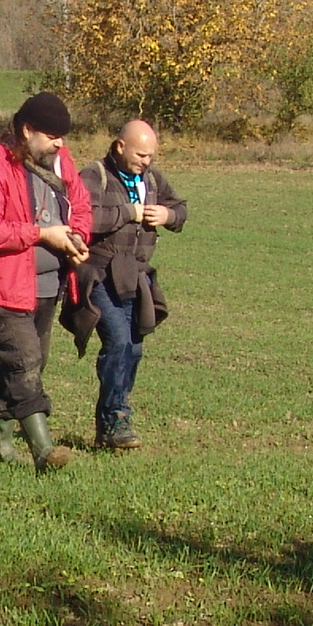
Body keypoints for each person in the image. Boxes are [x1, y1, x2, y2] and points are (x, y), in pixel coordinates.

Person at [0, 91, 90, 473]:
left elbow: (81, 205)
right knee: (24, 361)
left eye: (63, 137)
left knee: (27, 363)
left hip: (49, 283)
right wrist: (41, 235)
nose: (60, 144)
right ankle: (44, 451)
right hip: (2, 284)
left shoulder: (61, 161)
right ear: (27, 130)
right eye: (52, 136)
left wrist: (77, 237)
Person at [67, 117, 186, 450]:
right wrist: (129, 212)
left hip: (136, 277)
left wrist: (168, 216)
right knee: (118, 341)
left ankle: (115, 419)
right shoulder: (95, 176)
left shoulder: (152, 179)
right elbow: (85, 217)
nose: (146, 162)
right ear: (120, 147)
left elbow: (181, 209)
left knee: (133, 348)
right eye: (140, 155)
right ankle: (113, 418)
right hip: (99, 275)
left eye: (151, 156)